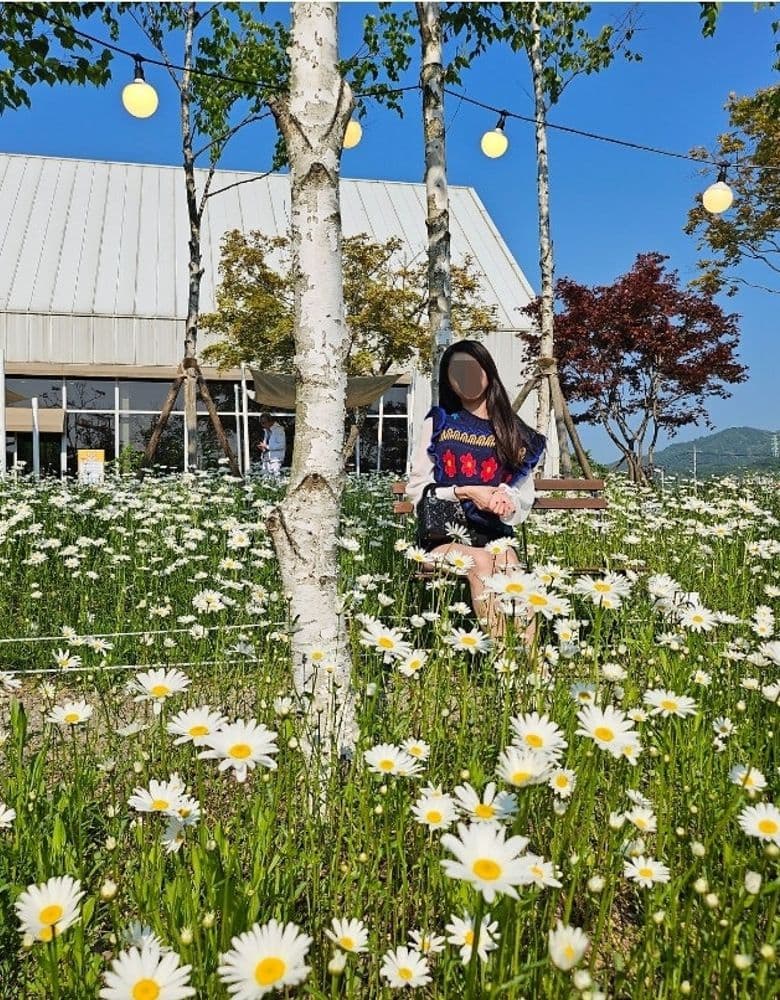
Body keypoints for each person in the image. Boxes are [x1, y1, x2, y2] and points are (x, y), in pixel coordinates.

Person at [406, 340, 546, 642]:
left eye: (472, 369)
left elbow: (523, 496)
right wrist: (466, 491)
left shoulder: (514, 431)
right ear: (448, 381)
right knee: (480, 562)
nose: (466, 378)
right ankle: (503, 663)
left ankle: (532, 667)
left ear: (488, 371)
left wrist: (504, 500)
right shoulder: (439, 424)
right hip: (441, 540)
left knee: (511, 568)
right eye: (457, 372)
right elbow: (418, 491)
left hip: (494, 539)